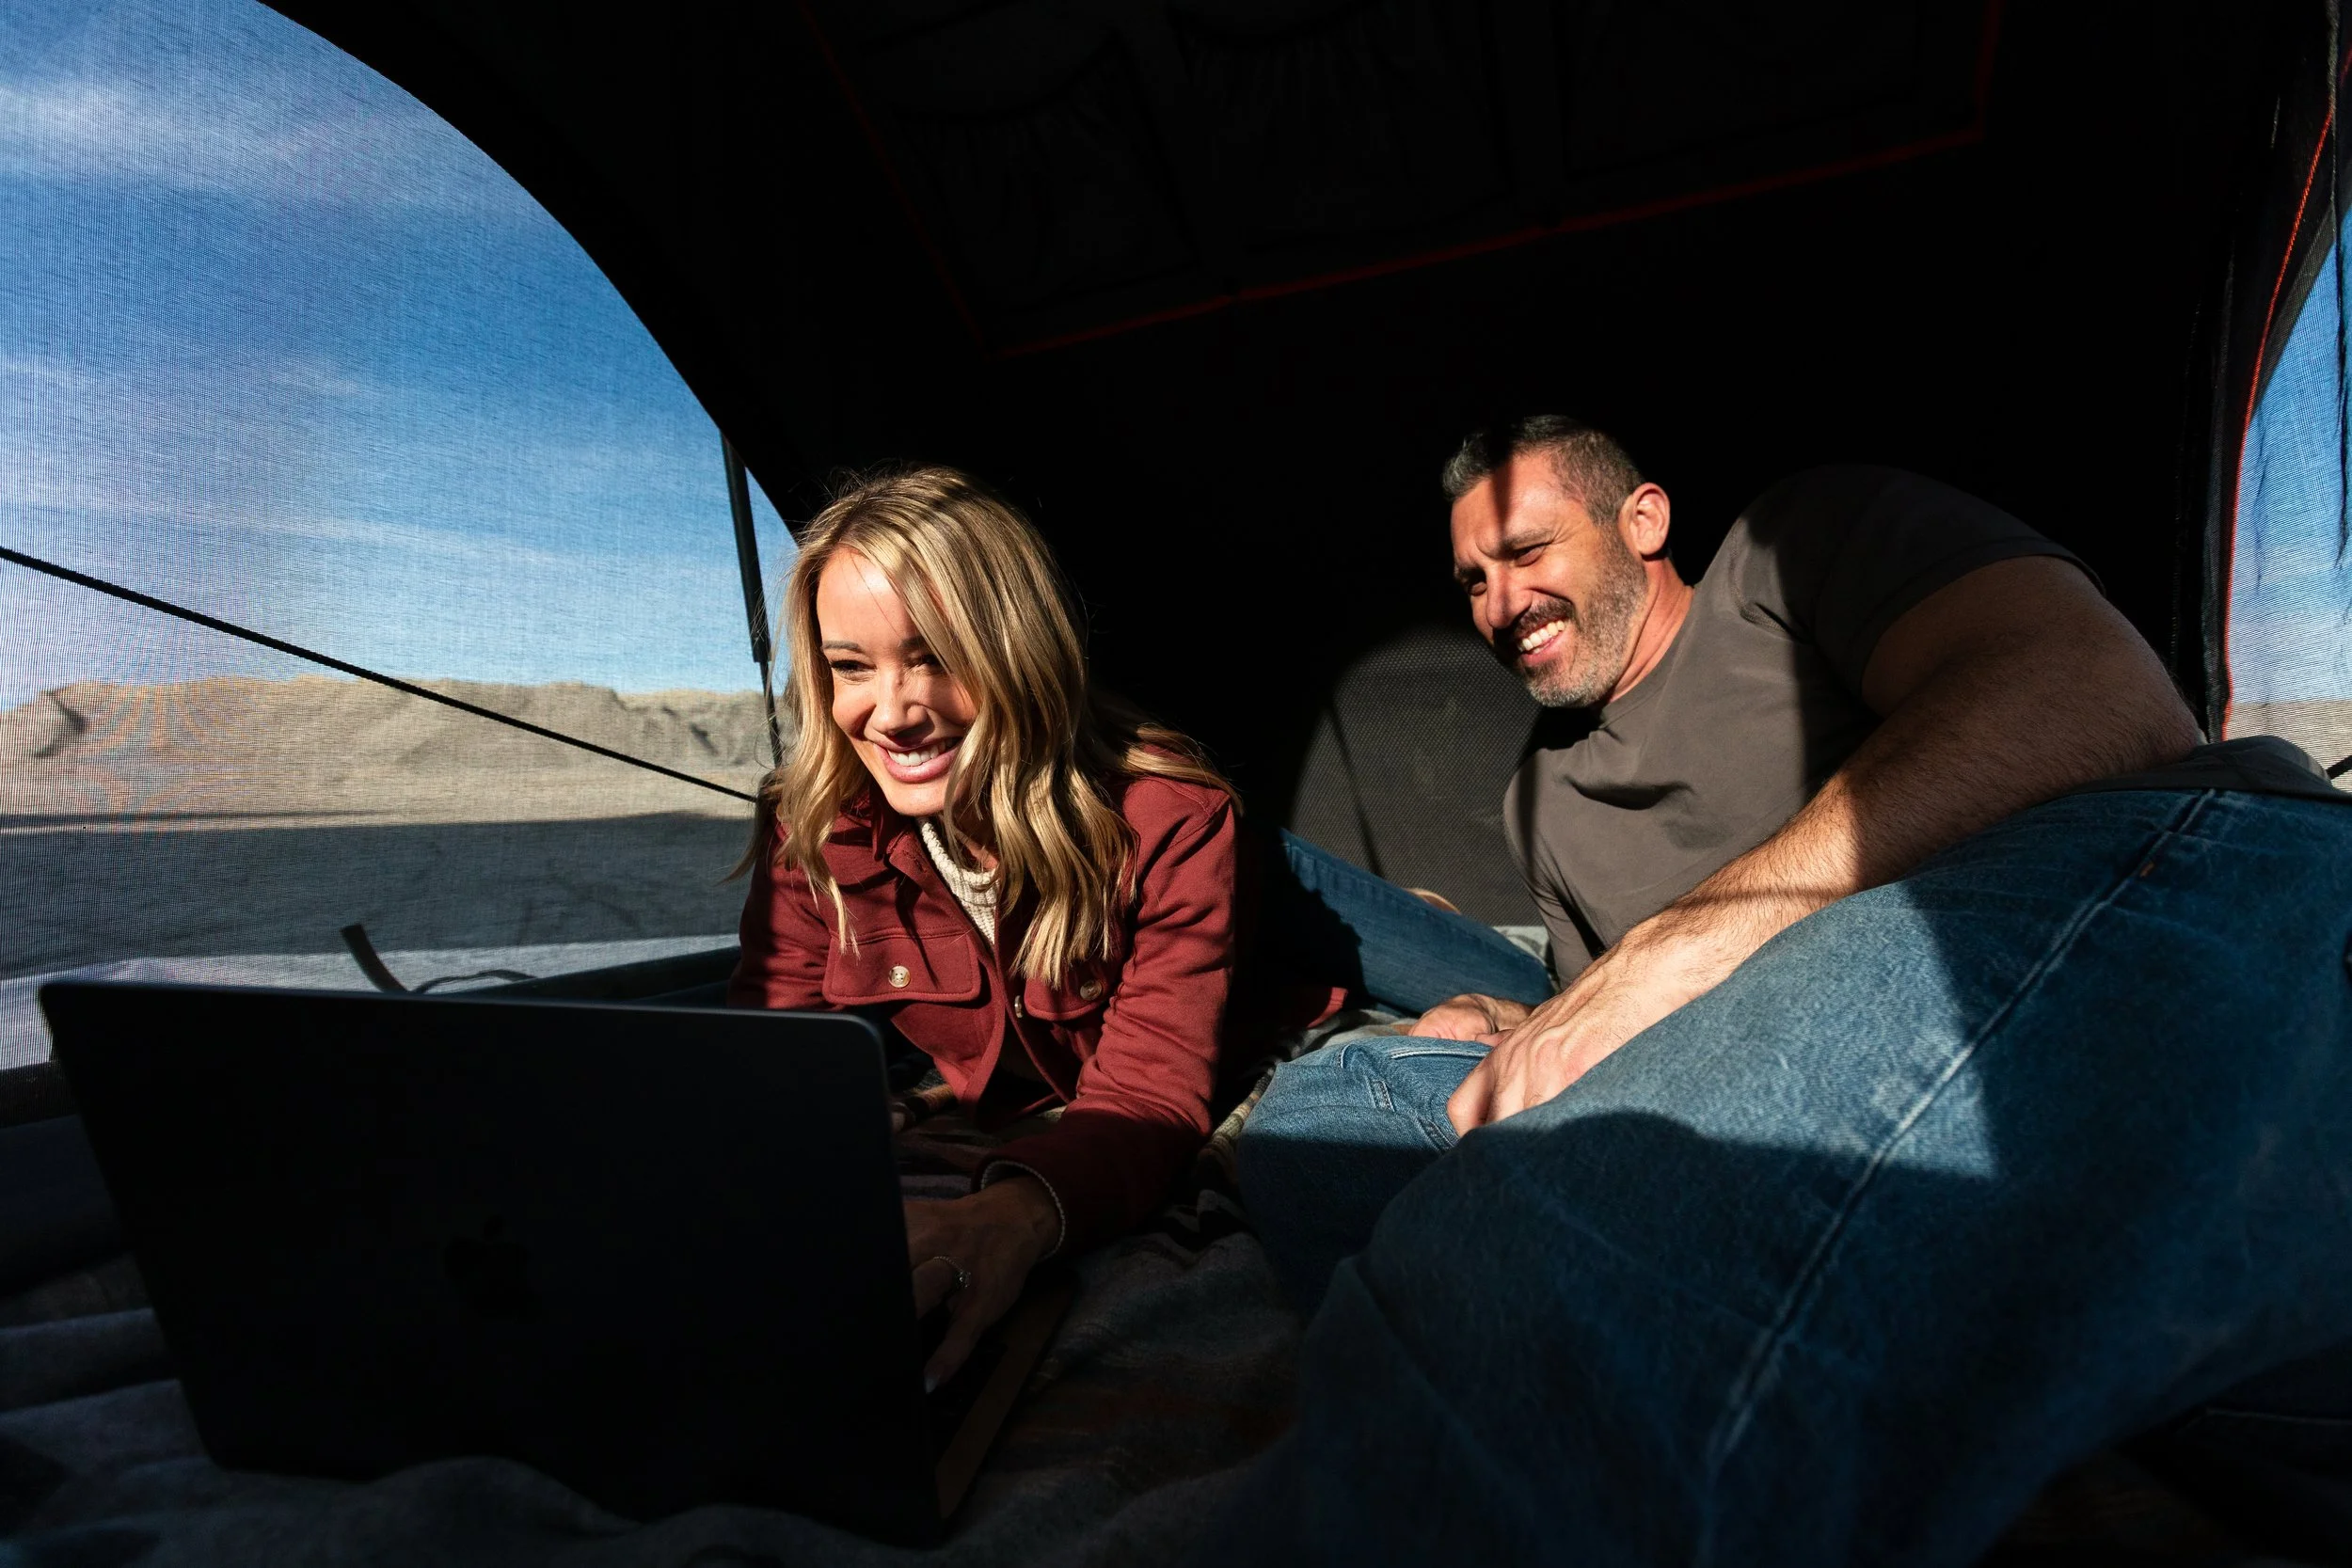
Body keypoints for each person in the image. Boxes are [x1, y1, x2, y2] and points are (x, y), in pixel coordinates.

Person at [1214, 419, 2352, 1564]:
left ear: (1643, 520)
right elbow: (1591, 1010)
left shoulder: (1784, 552)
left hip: (2119, 888)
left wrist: (1676, 948)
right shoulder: (1537, 798)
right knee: (1322, 1119)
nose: (1499, 602)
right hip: (1780, 1065)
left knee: (1550, 1256)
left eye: (1524, 551)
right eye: (1471, 581)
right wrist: (1513, 1016)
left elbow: (2097, 696)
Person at [727, 464, 1549, 1388]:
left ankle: (1414, 911)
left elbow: (1149, 1087)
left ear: (1015, 646)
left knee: (1536, 995)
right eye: (850, 666)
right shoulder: (812, 829)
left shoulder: (1169, 817)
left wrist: (1014, 1215)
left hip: (1259, 898)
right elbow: (771, 1053)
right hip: (1212, 902)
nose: (892, 710)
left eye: (936, 656)